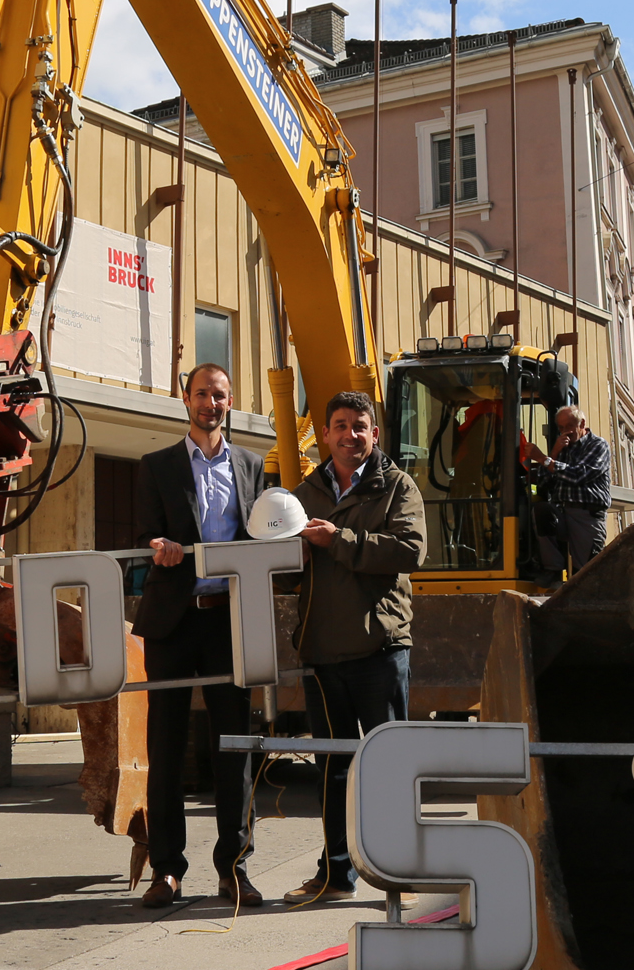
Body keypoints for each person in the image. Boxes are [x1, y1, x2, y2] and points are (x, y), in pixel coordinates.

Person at [133, 364, 267, 909]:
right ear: (184, 400)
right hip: (172, 620)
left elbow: (263, 533)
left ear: (230, 402)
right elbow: (140, 531)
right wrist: (156, 542)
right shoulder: (157, 466)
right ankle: (168, 869)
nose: (210, 403)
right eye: (202, 394)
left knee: (232, 747)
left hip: (226, 621)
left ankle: (233, 869)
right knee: (165, 746)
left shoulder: (251, 466)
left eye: (220, 395)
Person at [284, 389, 425, 906]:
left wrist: (337, 540)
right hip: (322, 654)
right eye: (340, 426)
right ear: (325, 434)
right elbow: (286, 568)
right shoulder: (303, 493)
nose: (350, 435)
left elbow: (411, 551)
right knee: (332, 770)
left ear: (374, 433)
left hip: (380, 649)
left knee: (390, 765)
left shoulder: (397, 486)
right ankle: (334, 874)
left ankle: (401, 870)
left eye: (359, 426)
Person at [520, 406, 610, 579]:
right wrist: (553, 453)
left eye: (569, 426)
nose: (565, 432)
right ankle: (552, 570)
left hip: (586, 514)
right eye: (561, 428)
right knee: (542, 510)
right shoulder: (562, 449)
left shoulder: (598, 445)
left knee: (585, 573)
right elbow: (544, 483)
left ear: (582, 423)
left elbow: (578, 475)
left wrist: (543, 459)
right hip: (562, 512)